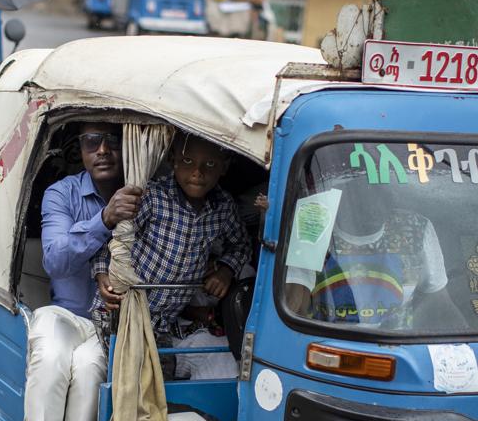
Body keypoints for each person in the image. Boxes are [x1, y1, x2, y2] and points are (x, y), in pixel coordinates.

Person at [3, 122, 142, 421]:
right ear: (80, 150)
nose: (102, 150)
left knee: (89, 371)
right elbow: (56, 261)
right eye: (91, 142)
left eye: (112, 140)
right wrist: (103, 218)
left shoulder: (145, 196)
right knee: (48, 359)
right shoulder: (61, 194)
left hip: (109, 326)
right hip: (66, 313)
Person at [92, 131, 250, 351]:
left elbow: (241, 245)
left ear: (224, 167)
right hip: (119, 314)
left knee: (161, 381)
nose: (198, 172)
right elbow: (110, 241)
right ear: (172, 160)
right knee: (121, 378)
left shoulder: (223, 207)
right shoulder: (152, 196)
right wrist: (102, 274)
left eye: (210, 164)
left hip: (163, 326)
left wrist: (226, 270)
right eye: (187, 161)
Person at [284, 173, 461, 331]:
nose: (378, 203)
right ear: (346, 191)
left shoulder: (416, 229)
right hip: (330, 347)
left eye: (385, 192)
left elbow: (438, 298)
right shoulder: (315, 224)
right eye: (367, 191)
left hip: (397, 348)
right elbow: (295, 302)